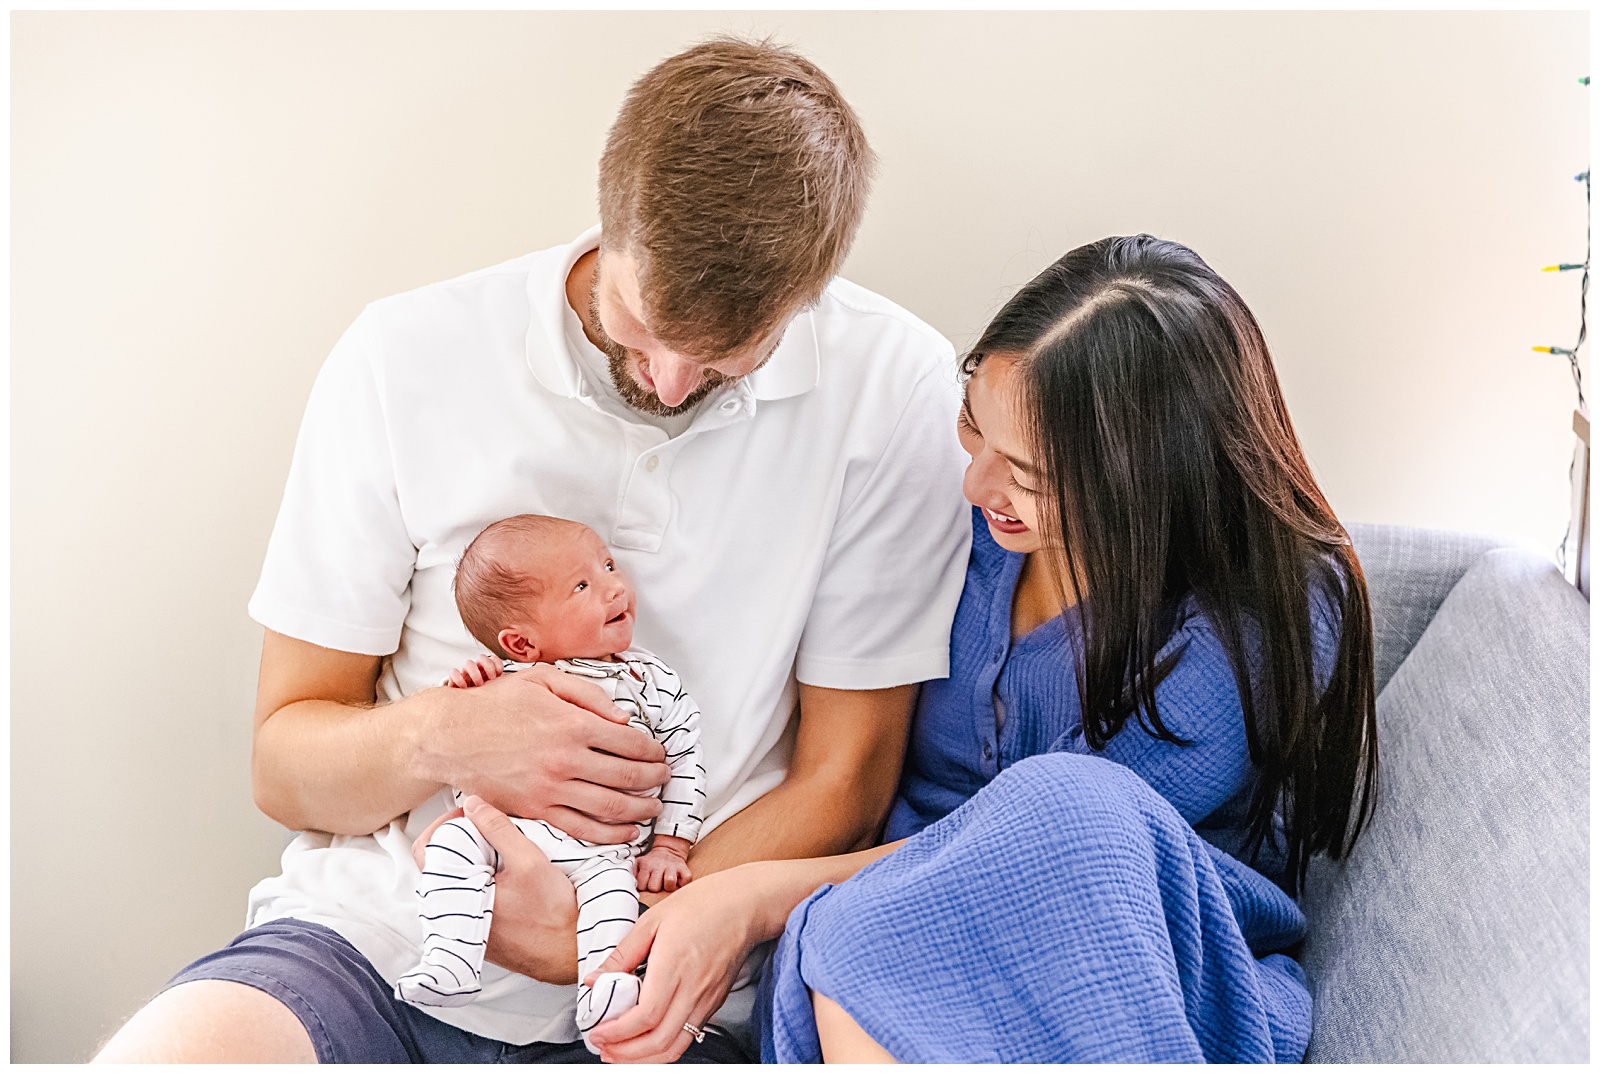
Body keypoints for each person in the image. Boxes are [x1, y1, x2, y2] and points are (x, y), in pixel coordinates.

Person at [93, 37, 971, 1064]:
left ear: (813, 291)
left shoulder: (892, 384)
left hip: (679, 993)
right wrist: (446, 739)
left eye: (731, 356)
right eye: (644, 328)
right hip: (378, 945)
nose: (675, 382)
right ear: (610, 222)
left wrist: (615, 921)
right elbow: (284, 762)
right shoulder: (403, 357)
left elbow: (847, 774)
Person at [577, 234, 1380, 1064]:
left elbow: (1041, 850)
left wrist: (750, 899)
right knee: (869, 944)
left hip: (1123, 962)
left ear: (1149, 479)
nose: (976, 486)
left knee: (1063, 803)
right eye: (972, 427)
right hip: (867, 934)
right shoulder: (964, 529)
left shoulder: (1267, 613)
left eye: (1028, 474)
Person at [394, 515, 704, 1058]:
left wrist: (672, 846)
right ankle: (451, 955)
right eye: (582, 586)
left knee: (614, 900)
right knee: (450, 843)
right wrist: (467, 690)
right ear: (521, 642)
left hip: (605, 852)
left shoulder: (650, 681)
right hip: (508, 835)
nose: (614, 586)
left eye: (607, 566)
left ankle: (604, 991)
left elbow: (686, 762)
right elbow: (465, 737)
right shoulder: (508, 683)